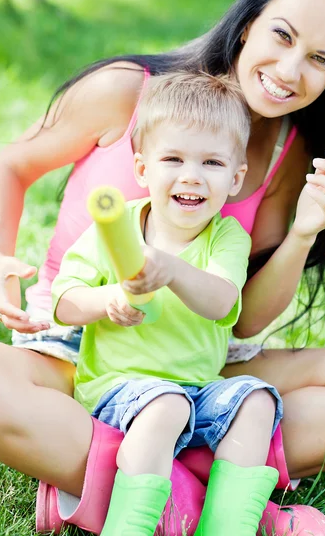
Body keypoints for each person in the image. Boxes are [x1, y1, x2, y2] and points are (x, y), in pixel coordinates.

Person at [0, 0, 325, 535]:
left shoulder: (288, 159)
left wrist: (303, 233)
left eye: (321, 60)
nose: (289, 70)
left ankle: (105, 483)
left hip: (199, 364)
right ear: (249, 21)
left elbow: (243, 321)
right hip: (76, 354)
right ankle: (220, 497)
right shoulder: (127, 90)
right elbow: (12, 166)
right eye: (282, 35)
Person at [53, 71, 283, 535]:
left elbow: (221, 302)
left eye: (212, 163)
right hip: (121, 387)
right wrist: (111, 299)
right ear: (143, 169)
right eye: (173, 158)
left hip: (199, 389)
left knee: (257, 401)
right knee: (165, 406)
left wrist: (173, 270)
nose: (191, 176)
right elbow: (65, 304)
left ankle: (225, 527)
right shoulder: (114, 230)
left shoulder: (227, 239)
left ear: (236, 178)